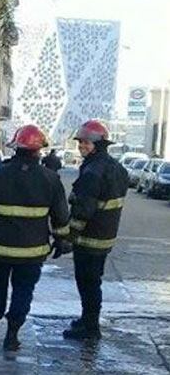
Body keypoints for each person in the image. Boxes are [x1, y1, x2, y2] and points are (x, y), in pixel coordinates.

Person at [0, 124, 71, 352]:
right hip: (32, 252)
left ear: (15, 147)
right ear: (39, 150)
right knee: (23, 291)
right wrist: (62, 240)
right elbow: (61, 217)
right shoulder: (51, 179)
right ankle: (12, 336)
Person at [62, 120, 129, 341]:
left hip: (90, 239)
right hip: (105, 237)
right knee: (93, 281)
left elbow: (83, 212)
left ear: (99, 144)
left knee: (88, 282)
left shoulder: (93, 171)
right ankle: (88, 319)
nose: (81, 145)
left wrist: (68, 238)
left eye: (86, 142)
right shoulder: (116, 167)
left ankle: (90, 327)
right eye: (80, 141)